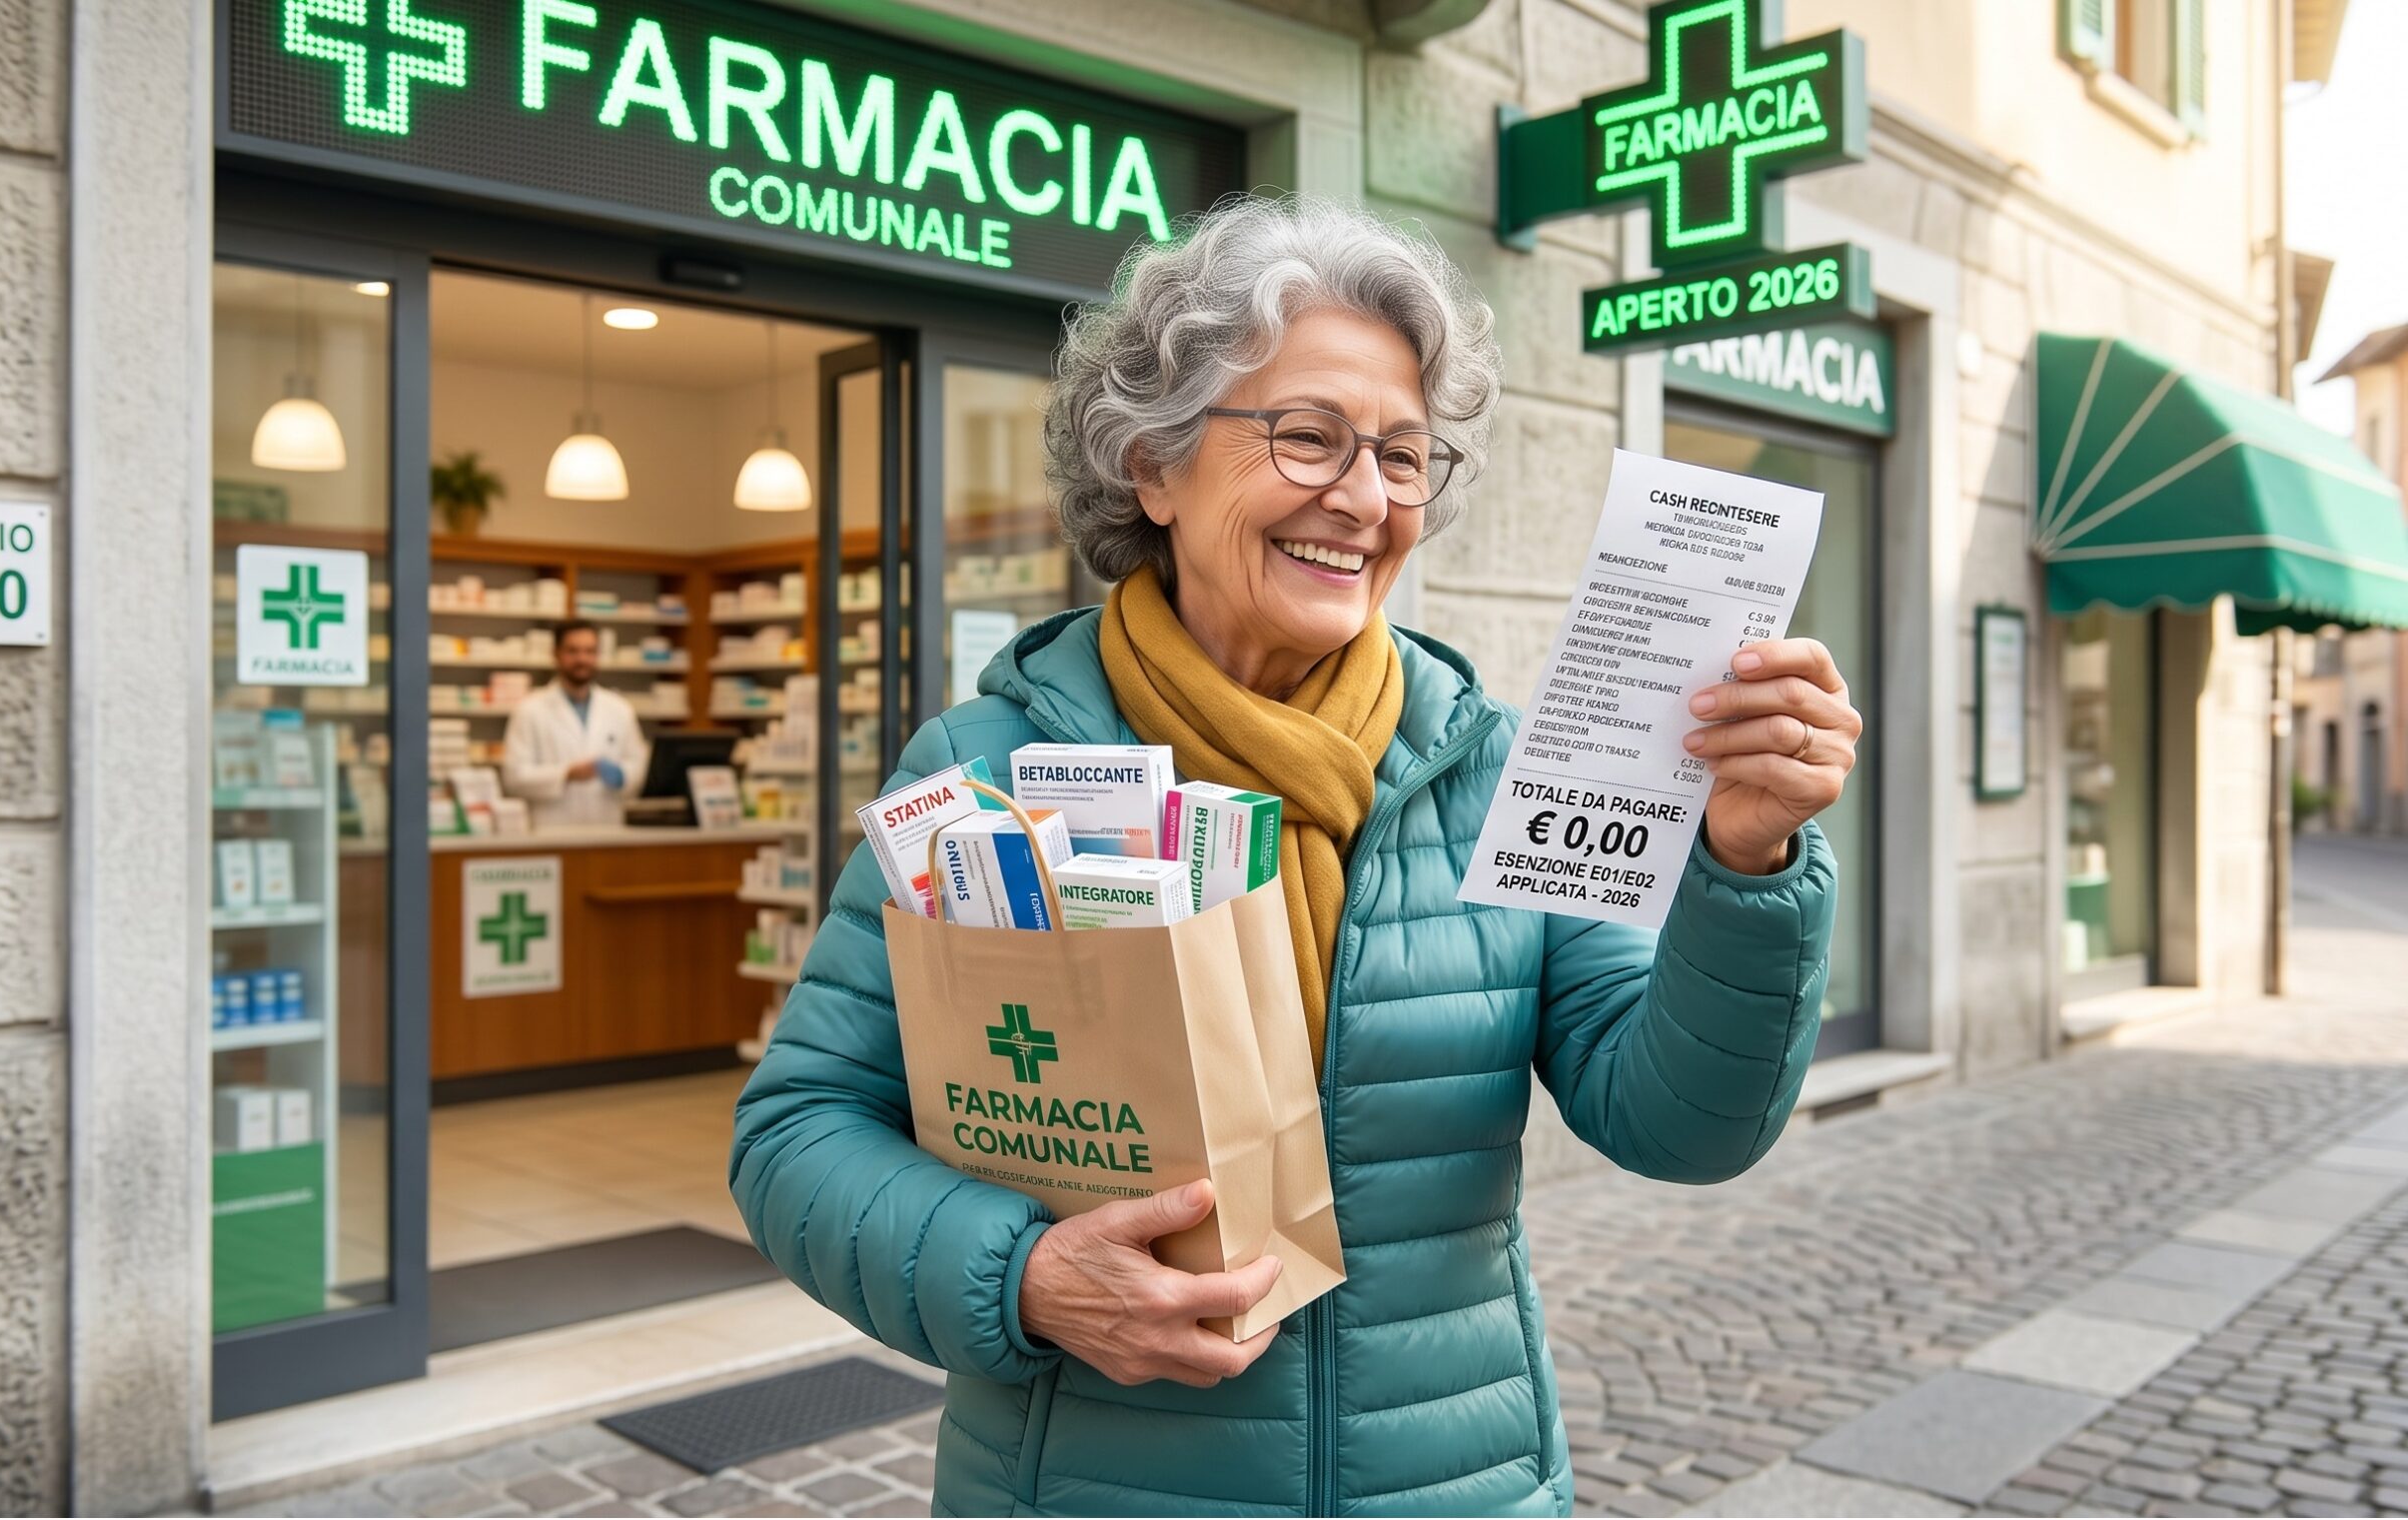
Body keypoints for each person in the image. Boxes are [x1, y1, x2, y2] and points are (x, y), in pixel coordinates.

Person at [730, 196, 1860, 1516]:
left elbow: (1679, 1125)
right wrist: (1021, 1276)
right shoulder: (984, 771)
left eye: (1403, 454)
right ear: (1152, 466)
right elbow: (797, 1134)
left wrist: (1748, 859)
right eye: (1310, 438)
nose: (1366, 498)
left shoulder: (1494, 769)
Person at [501, 620, 649, 828]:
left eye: (590, 651)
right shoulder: (529, 709)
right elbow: (513, 779)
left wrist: (623, 776)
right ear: (556, 654)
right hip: (551, 829)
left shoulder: (620, 709)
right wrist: (566, 774)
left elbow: (638, 766)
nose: (582, 659)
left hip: (607, 827)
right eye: (573, 651)